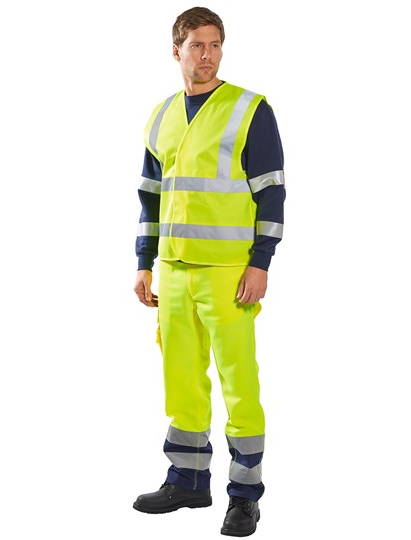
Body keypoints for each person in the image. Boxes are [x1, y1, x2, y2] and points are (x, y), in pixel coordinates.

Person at [132, 6, 285, 537]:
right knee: (182, 380)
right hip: (173, 271)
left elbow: (271, 191)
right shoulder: (161, 116)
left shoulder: (250, 109)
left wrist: (260, 263)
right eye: (197, 45)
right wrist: (143, 263)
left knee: (239, 383)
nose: (208, 55)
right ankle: (188, 480)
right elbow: (150, 197)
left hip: (228, 272)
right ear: (176, 50)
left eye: (215, 45)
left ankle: (244, 496)